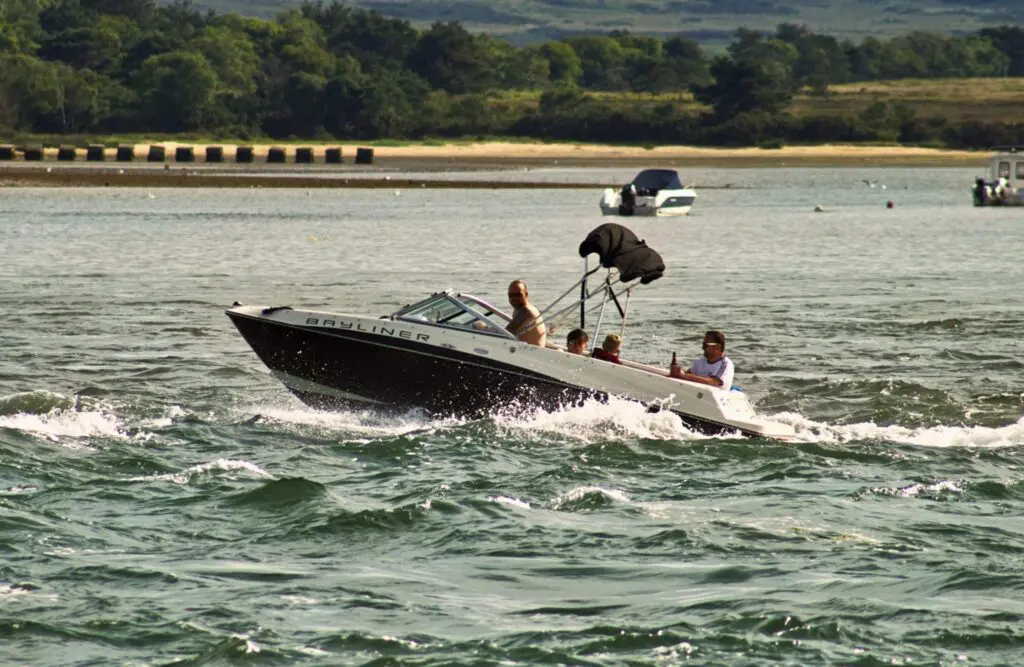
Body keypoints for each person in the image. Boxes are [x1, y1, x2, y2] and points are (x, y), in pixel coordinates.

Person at [670, 330, 734, 389]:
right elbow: (688, 374)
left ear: (718, 347)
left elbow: (712, 382)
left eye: (705, 345)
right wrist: (677, 370)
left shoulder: (725, 364)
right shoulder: (700, 361)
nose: (703, 348)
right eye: (703, 344)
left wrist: (682, 375)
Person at [505, 280, 546, 347]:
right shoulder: (518, 309)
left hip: (532, 354)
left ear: (526, 294)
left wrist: (483, 328)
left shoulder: (526, 312)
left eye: (518, 295)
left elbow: (506, 333)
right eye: (511, 295)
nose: (514, 298)